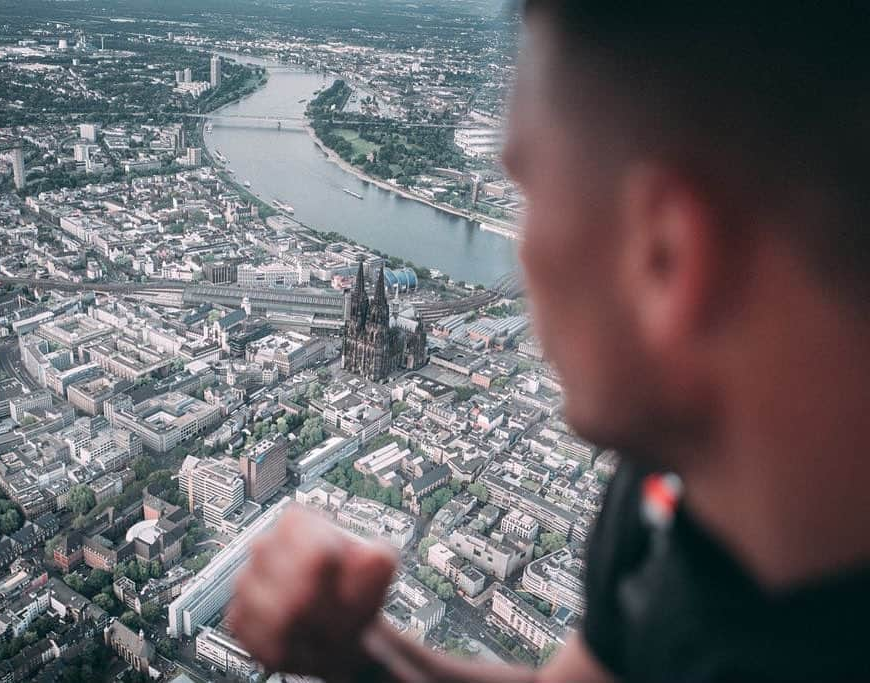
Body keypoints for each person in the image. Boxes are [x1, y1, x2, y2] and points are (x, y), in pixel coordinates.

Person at [229, 2, 870, 681]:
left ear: (666, 254)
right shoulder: (672, 482)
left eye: (526, 190)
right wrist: (366, 656)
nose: (523, 253)